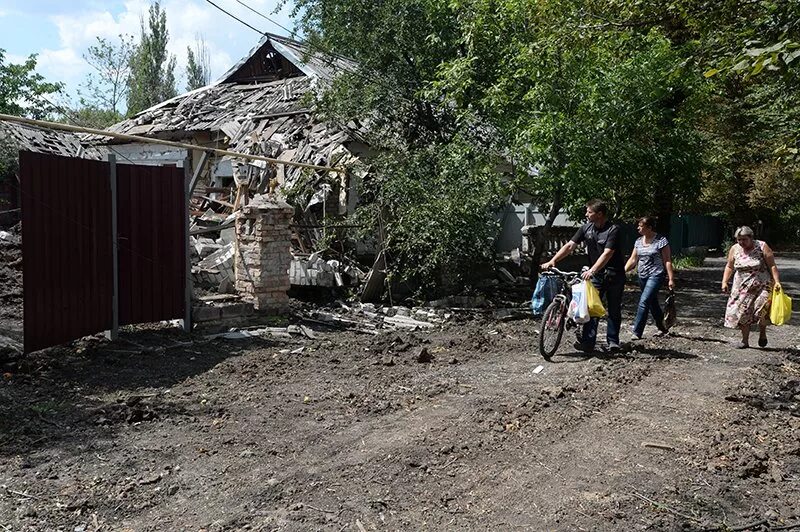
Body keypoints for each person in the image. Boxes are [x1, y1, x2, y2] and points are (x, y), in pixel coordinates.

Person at [541, 199, 625, 352]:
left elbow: (607, 254)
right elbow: (570, 246)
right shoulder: (586, 228)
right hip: (596, 276)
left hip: (614, 275)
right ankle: (588, 342)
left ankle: (613, 342)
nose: (586, 214)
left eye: (589, 212)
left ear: (599, 214)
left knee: (613, 309)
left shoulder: (613, 230)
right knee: (591, 307)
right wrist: (553, 260)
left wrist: (592, 270)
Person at [722, 226, 781, 348]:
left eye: (744, 239)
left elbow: (772, 266)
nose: (741, 242)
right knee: (742, 312)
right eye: (739, 240)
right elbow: (729, 266)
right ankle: (745, 341)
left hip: (762, 285)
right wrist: (725, 281)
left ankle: (763, 333)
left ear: (751, 238)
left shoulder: (762, 246)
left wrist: (777, 281)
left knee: (761, 310)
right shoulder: (735, 249)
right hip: (741, 287)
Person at [624, 216, 675, 339]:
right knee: (652, 303)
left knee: (644, 301)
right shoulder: (638, 241)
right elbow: (633, 259)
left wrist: (671, 278)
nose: (638, 228)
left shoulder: (661, 241)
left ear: (649, 228)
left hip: (656, 275)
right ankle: (662, 327)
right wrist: (622, 271)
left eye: (641, 226)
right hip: (642, 275)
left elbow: (667, 260)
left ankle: (637, 332)